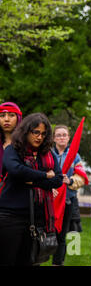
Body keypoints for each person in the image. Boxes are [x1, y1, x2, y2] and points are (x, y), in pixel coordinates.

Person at [0, 113, 63, 266]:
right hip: (10, 217)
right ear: (26, 131)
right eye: (36, 132)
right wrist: (45, 176)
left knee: (30, 262)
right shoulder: (13, 150)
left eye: (43, 134)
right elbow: (16, 171)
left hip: (37, 219)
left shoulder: (49, 155)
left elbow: (58, 180)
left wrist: (31, 180)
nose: (39, 137)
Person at [51, 125, 88, 266]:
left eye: (64, 135)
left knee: (61, 234)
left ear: (69, 137)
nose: (61, 137)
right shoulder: (47, 154)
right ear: (54, 138)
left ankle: (57, 262)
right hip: (49, 199)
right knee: (47, 231)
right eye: (58, 135)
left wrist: (70, 180)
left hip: (67, 200)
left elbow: (82, 177)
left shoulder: (75, 156)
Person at [0, 102, 23, 194]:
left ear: (18, 118)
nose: (6, 119)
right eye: (2, 115)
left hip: (19, 195)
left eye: (11, 115)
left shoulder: (27, 144)